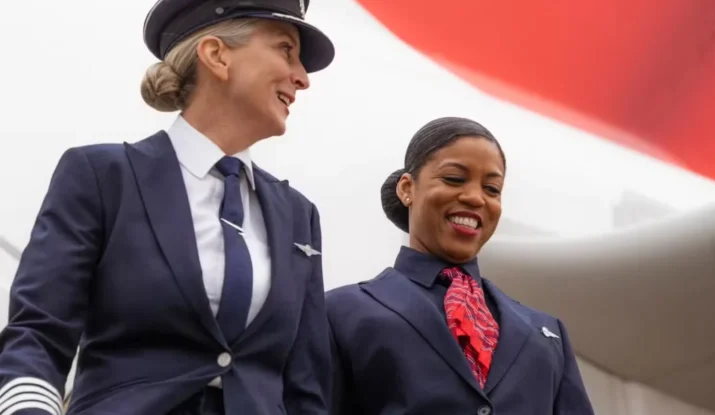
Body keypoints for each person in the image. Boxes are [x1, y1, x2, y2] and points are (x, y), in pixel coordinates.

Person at [0, 0, 335, 414]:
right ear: (216, 55)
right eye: (286, 50)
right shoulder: (103, 176)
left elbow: (306, 386)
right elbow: (38, 335)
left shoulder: (299, 216)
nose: (302, 78)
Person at [326, 117, 595, 415]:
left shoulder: (546, 333)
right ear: (407, 189)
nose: (474, 197)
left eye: (492, 189)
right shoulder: (340, 313)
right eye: (454, 179)